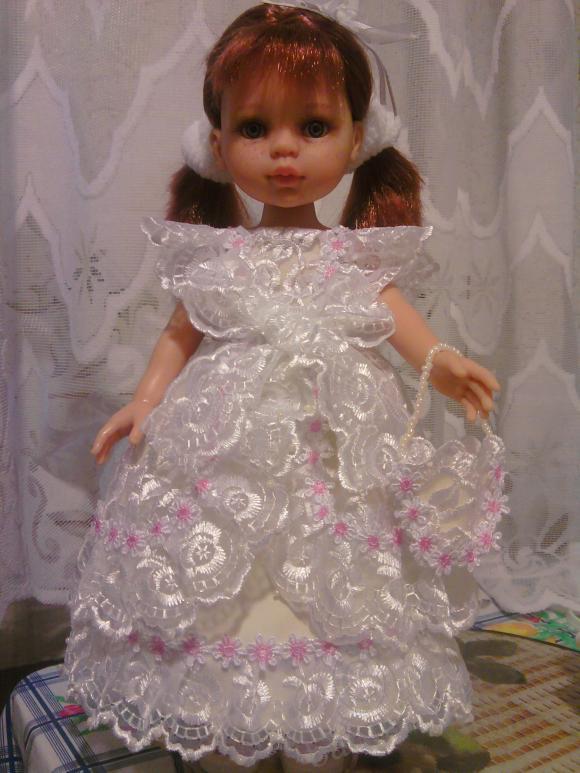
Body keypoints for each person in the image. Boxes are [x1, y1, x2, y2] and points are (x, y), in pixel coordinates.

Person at [63, 3, 505, 772]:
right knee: (221, 579)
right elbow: (180, 332)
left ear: (357, 139)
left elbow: (401, 326)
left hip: (333, 452)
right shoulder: (217, 256)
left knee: (336, 577)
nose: (284, 149)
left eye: (314, 126)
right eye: (255, 127)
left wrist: (445, 363)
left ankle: (322, 717)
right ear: (217, 143)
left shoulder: (355, 259)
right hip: (225, 449)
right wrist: (146, 400)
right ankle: (221, 708)